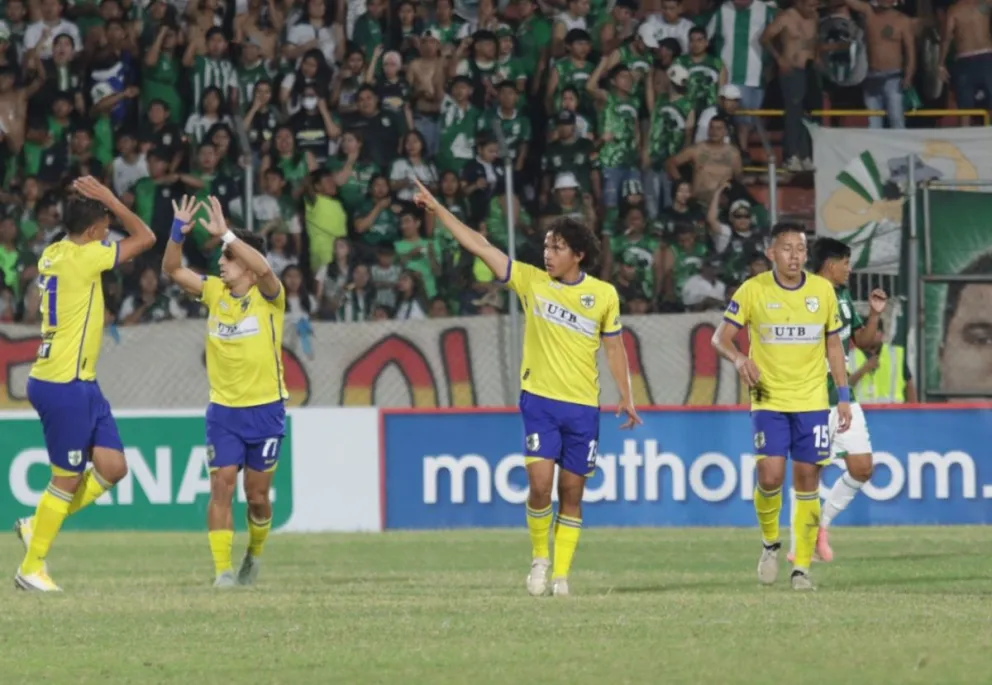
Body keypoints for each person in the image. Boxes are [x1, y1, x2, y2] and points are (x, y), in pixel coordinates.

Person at [411, 177, 641, 598]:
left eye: (557, 248)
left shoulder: (604, 295)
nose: (547, 254)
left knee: (572, 492)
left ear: (578, 254)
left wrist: (626, 395)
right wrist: (439, 209)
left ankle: (562, 577)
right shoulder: (532, 282)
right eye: (547, 246)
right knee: (539, 485)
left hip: (583, 408)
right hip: (540, 402)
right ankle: (539, 559)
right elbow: (481, 246)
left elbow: (614, 348)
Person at [13, 176, 156, 592]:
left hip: (81, 382)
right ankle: (31, 568)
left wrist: (88, 205)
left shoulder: (54, 252)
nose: (108, 235)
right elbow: (146, 237)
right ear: (93, 233)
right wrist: (110, 198)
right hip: (62, 383)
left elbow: (81, 231)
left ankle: (36, 524)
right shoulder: (86, 257)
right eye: (105, 229)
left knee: (113, 467)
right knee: (66, 478)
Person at [711, 222, 851, 591]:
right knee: (770, 476)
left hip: (812, 401)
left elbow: (833, 345)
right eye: (787, 248)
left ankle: (801, 567)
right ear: (771, 253)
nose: (794, 256)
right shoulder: (753, 289)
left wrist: (843, 396)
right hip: (768, 398)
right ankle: (770, 542)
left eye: (800, 249)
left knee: (807, 480)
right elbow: (720, 338)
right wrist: (739, 358)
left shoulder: (822, 291)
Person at [162, 195, 287, 588]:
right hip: (224, 412)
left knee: (257, 498)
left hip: (265, 410)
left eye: (228, 257)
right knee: (221, 486)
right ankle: (222, 572)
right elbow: (172, 269)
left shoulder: (270, 296)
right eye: (221, 256)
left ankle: (255, 554)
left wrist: (228, 234)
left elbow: (264, 268)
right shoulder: (214, 291)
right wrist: (176, 233)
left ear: (247, 265)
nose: (221, 262)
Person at [784, 237, 887, 564]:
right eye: (846, 263)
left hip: (843, 397)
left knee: (863, 467)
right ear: (830, 264)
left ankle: (820, 525)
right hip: (811, 398)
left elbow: (863, 342)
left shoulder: (842, 296)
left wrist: (874, 315)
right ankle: (798, 546)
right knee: (808, 472)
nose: (849, 269)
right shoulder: (804, 294)